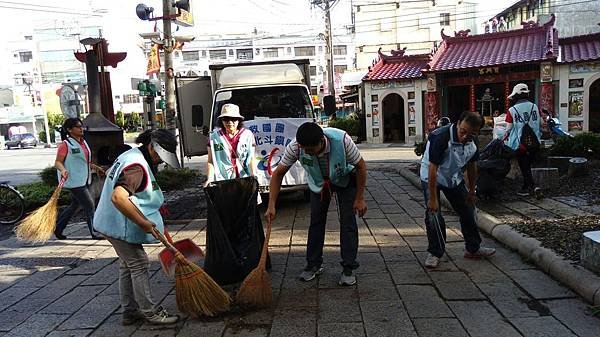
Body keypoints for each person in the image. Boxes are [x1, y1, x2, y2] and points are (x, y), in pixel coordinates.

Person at [93, 129, 180, 326]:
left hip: (109, 221)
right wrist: (142, 222)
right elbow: (118, 197)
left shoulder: (131, 154)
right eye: (159, 155)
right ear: (151, 147)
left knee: (127, 264)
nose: (160, 161)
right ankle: (150, 312)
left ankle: (129, 312)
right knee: (139, 263)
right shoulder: (137, 167)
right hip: (116, 224)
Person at [265, 122, 367, 286]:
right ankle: (313, 264)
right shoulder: (296, 147)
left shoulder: (342, 141)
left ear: (321, 141)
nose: (307, 153)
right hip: (318, 182)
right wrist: (271, 204)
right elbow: (278, 174)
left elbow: (361, 167)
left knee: (348, 221)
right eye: (304, 149)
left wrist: (360, 198)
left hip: (345, 178)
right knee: (316, 221)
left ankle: (349, 267)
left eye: (311, 150)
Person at [420, 111, 496, 269]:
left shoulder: (472, 143)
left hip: (453, 177)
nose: (465, 136)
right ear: (458, 123)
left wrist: (471, 191)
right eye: (463, 131)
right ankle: (435, 253)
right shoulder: (440, 137)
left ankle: (473, 249)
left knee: (468, 209)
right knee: (434, 215)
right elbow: (433, 169)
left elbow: (472, 166)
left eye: (471, 134)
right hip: (431, 176)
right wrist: (433, 198)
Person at [54, 117, 105, 240]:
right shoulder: (66, 144)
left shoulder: (83, 142)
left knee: (74, 206)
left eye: (81, 126)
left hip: (85, 179)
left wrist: (96, 168)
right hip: (74, 181)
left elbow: (84, 162)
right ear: (69, 130)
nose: (81, 128)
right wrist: (63, 170)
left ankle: (58, 228)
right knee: (89, 204)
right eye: (78, 126)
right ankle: (94, 232)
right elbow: (58, 162)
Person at [204, 103, 257, 188]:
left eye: (234, 119)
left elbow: (251, 158)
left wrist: (253, 174)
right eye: (226, 119)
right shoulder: (213, 137)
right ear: (221, 120)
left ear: (239, 120)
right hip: (223, 181)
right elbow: (211, 161)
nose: (230, 122)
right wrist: (209, 178)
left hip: (245, 179)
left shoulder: (247, 135)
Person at [504, 83, 542, 196]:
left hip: (521, 145)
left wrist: (502, 138)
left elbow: (508, 128)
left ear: (516, 95)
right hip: (535, 143)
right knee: (527, 167)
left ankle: (533, 187)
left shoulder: (512, 110)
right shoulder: (534, 106)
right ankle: (526, 187)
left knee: (524, 167)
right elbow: (541, 123)